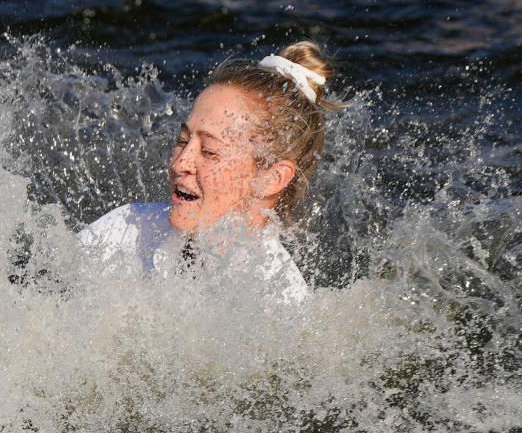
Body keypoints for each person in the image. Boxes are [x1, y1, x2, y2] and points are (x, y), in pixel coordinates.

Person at [78, 41, 340, 304]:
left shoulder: (279, 303)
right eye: (182, 140)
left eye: (210, 152)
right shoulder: (126, 229)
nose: (180, 164)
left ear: (271, 178)